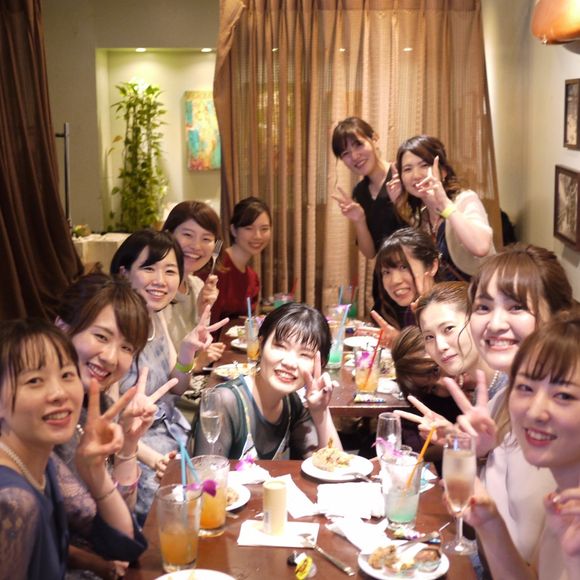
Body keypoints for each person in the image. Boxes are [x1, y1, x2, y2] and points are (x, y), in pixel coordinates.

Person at [402, 244, 574, 565]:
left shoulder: (559, 424)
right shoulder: (501, 399)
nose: (495, 324)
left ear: (558, 317)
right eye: (483, 307)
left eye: (516, 307)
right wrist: (476, 451)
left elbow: (531, 559)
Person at [0, 320, 147, 580]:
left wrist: (94, 471)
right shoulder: (12, 500)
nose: (59, 393)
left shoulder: (41, 460)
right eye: (34, 380)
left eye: (67, 375)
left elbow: (121, 545)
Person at [110, 229, 228, 521]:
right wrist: (154, 460)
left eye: (170, 271)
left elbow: (177, 387)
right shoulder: (114, 332)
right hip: (134, 450)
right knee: (182, 516)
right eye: (149, 268)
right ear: (124, 273)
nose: (161, 281)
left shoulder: (156, 315)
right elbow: (109, 423)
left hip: (172, 435)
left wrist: (187, 351)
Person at [460, 313, 580, 579]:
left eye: (563, 395)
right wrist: (490, 523)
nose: (535, 411)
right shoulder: (564, 495)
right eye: (525, 387)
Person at [194, 302, 343, 459]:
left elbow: (334, 465)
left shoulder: (292, 405)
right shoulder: (224, 401)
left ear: (320, 364)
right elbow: (205, 472)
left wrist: (320, 411)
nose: (290, 363)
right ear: (261, 344)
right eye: (280, 346)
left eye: (305, 355)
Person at [395, 135, 494, 281]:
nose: (416, 175)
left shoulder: (465, 200)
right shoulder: (421, 218)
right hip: (445, 295)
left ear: (443, 171)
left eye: (424, 165)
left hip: (480, 292)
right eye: (407, 169)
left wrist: (444, 204)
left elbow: (481, 247)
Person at [331, 117, 403, 311]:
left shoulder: (401, 175)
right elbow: (370, 253)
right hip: (385, 281)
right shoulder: (360, 192)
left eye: (358, 145)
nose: (354, 156)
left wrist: (400, 202)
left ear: (374, 139)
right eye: (345, 153)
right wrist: (360, 220)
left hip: (414, 277)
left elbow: (425, 230)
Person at [162, 202, 225, 369]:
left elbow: (195, 349)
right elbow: (161, 369)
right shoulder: (157, 291)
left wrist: (203, 311)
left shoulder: (197, 286)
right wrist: (197, 364)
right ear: (168, 235)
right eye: (188, 235)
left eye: (206, 239)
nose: (196, 246)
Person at [370, 227, 439, 343]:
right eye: (386, 272)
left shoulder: (453, 309)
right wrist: (398, 342)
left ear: (432, 266)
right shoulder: (410, 310)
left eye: (403, 267)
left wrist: (400, 342)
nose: (395, 280)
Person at [210, 196, 272, 324]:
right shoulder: (216, 268)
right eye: (249, 228)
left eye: (264, 229)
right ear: (234, 230)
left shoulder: (252, 278)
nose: (258, 236)